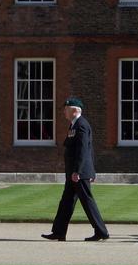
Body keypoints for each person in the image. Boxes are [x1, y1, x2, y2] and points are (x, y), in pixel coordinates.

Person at [42, 98, 110, 242]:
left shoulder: (81, 125)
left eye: (66, 109)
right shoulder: (74, 125)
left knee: (87, 201)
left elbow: (84, 150)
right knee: (66, 202)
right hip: (74, 172)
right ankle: (59, 232)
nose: (64, 112)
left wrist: (79, 171)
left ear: (74, 110)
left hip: (78, 173)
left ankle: (101, 232)